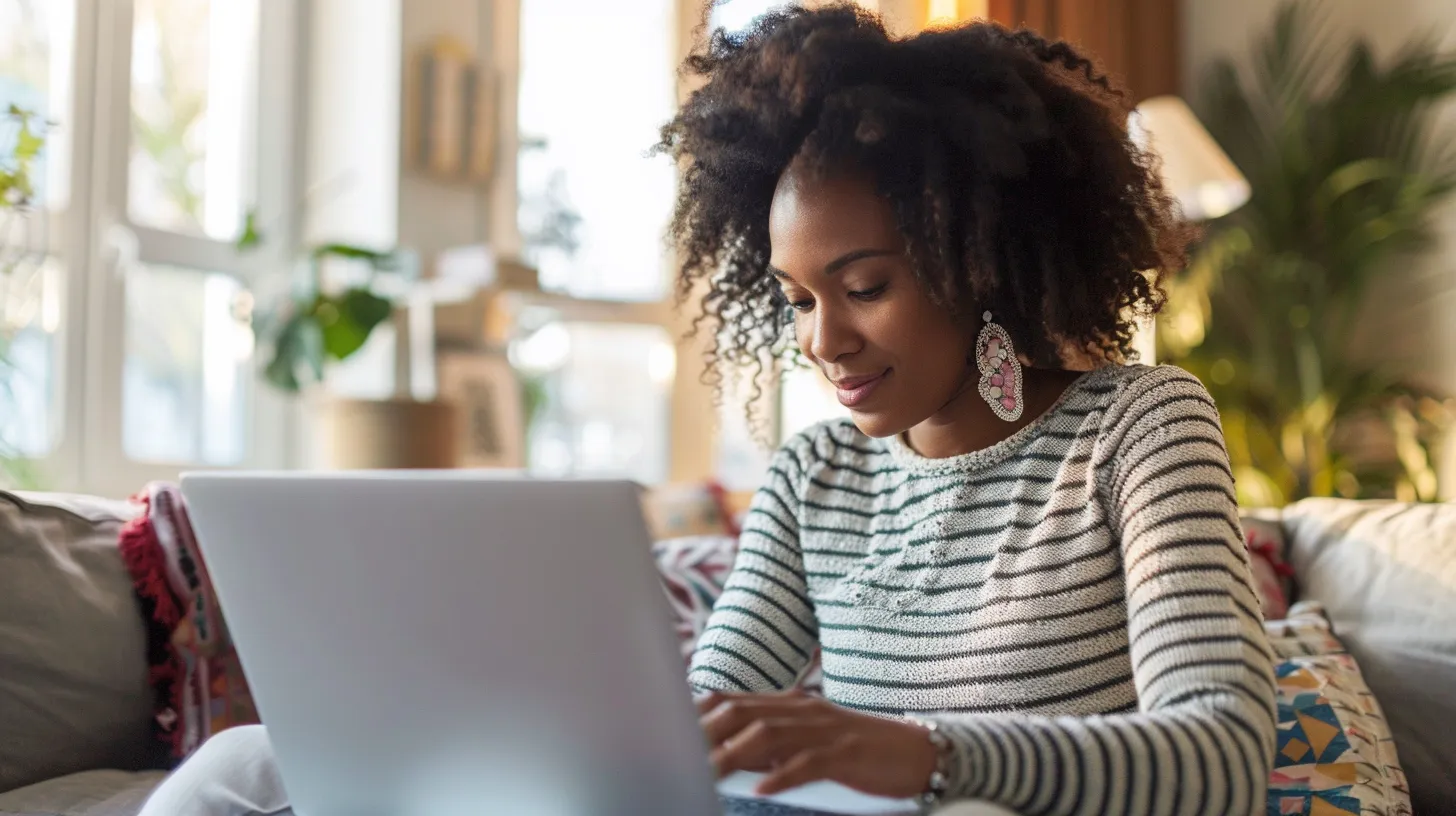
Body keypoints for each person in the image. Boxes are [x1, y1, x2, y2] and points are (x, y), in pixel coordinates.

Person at [141, 5, 1275, 816]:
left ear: (984, 262)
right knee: (244, 765)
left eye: (864, 288)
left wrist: (924, 756)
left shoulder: (1140, 427)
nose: (820, 342)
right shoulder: (816, 471)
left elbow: (1219, 758)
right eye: (795, 298)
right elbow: (705, 706)